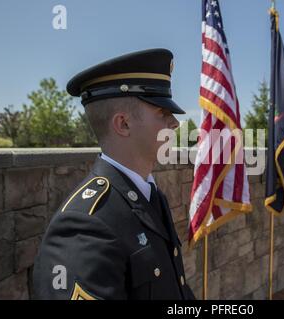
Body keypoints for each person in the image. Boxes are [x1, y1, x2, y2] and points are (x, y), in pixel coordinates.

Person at [33, 48, 196, 300]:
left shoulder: (152, 195)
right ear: (123, 124)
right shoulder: (84, 228)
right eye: (162, 113)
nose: (174, 123)